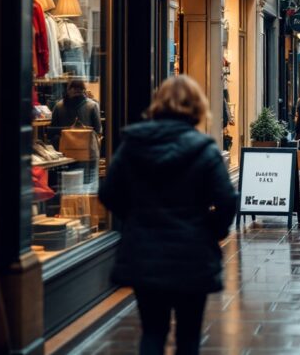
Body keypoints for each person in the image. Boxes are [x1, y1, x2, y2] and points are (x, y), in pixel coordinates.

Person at [98, 75, 237, 355]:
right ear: (197, 107)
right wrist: (211, 230)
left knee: (152, 331)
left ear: (158, 104)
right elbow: (226, 200)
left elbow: (109, 193)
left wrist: (136, 218)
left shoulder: (133, 144)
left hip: (144, 251)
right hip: (192, 252)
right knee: (188, 334)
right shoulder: (204, 149)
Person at [51, 79, 102, 184]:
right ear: (84, 90)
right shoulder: (92, 106)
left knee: (66, 185)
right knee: (87, 185)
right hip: (86, 153)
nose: (76, 91)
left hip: (65, 154)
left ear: (68, 90)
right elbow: (98, 129)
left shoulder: (58, 106)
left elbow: (52, 130)